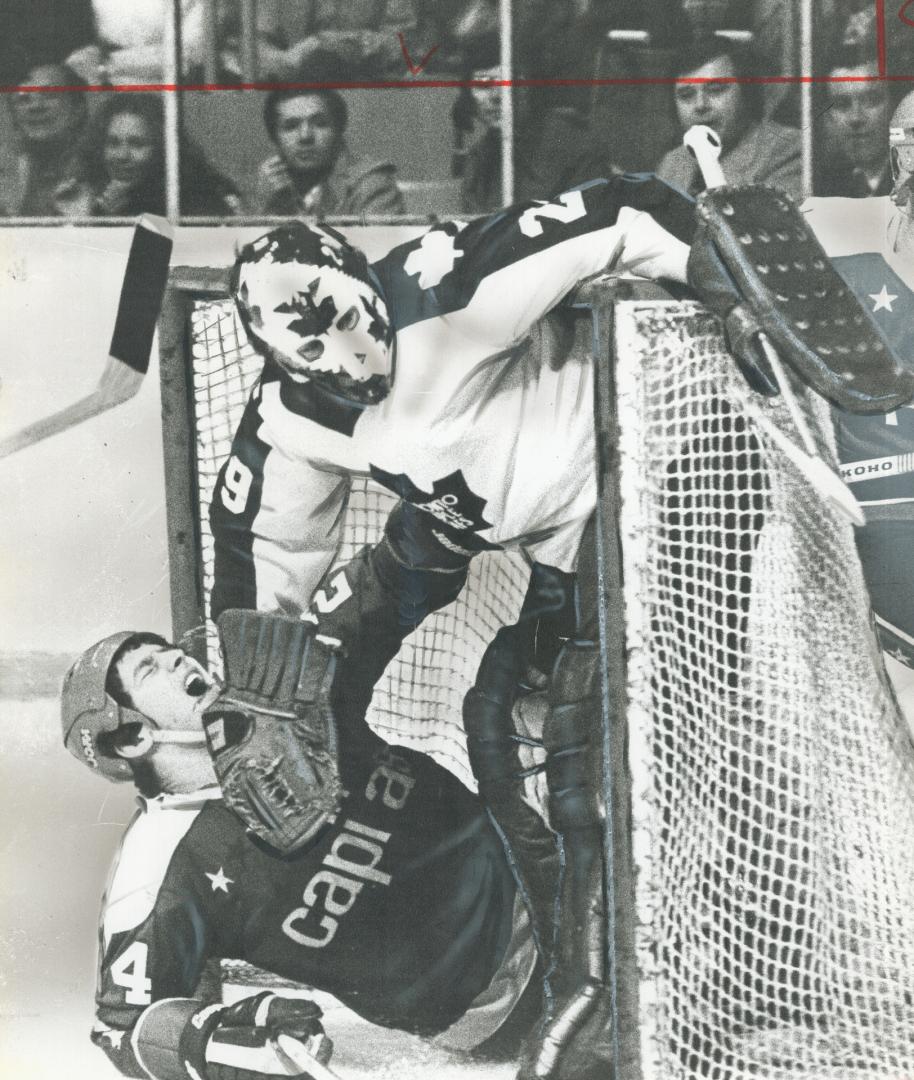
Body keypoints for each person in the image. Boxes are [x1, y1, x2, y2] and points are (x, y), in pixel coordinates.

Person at [207, 178, 699, 1079]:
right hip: (560, 537)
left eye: (351, 317)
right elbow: (258, 542)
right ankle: (584, 977)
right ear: (279, 356)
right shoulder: (293, 410)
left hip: (664, 485)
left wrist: (726, 288)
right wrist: (253, 697)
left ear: (365, 276)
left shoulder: (447, 283)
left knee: (581, 734)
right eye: (310, 343)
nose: (348, 357)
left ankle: (620, 1004)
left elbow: (625, 209)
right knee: (498, 716)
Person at [61, 602, 560, 1080]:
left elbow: (380, 597)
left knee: (517, 674)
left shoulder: (279, 693)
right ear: (132, 740)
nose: (177, 657)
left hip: (541, 863)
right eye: (150, 669)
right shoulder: (157, 866)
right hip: (504, 996)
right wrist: (213, 1038)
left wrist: (428, 538)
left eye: (169, 650)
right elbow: (119, 1029)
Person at [656, 39, 804, 198]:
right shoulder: (672, 163)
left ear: (746, 94)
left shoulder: (787, 148)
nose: (700, 105)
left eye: (715, 90)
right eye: (686, 95)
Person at [65, 94, 242, 217]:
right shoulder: (88, 192)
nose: (122, 155)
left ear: (162, 150)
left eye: (137, 144)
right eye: (113, 143)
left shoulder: (196, 197)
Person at [252, 86, 405, 217]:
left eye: (320, 124)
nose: (305, 136)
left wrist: (285, 211)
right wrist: (265, 206)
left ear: (339, 130)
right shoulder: (267, 185)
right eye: (291, 126)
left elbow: (375, 250)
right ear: (275, 138)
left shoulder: (372, 185)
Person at [0, 63, 89, 217]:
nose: (35, 106)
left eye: (49, 95)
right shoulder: (8, 178)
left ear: (78, 108)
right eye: (23, 99)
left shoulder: (101, 170)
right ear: (14, 117)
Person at [815, 47, 893, 197]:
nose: (856, 117)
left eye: (871, 101)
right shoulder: (823, 187)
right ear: (828, 117)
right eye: (843, 104)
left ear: (895, 105)